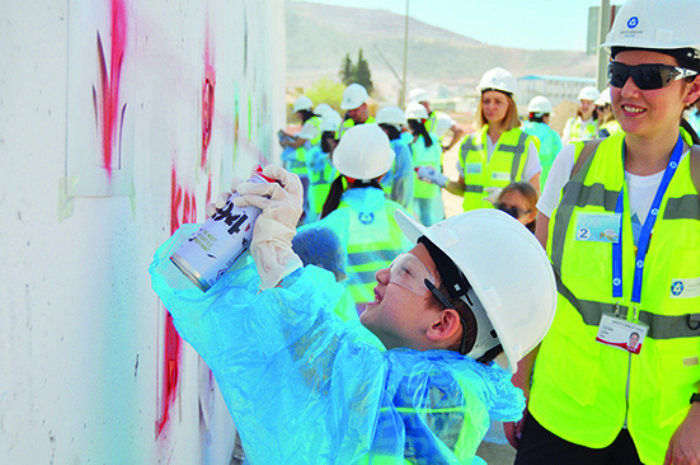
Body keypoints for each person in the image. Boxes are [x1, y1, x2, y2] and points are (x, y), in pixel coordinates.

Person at [150, 162, 557, 464]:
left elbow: (337, 366)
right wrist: (236, 255)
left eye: (404, 271)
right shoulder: (394, 367)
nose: (382, 274)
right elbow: (318, 369)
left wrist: (277, 257)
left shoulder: (444, 400)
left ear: (442, 323)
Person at [508, 1, 700, 463]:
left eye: (651, 75)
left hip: (665, 435)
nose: (628, 90)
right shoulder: (573, 165)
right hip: (561, 416)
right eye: (618, 73)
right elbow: (541, 288)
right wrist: (519, 380)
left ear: (692, 89)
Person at [318, 123, 413, 310]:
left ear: (342, 170)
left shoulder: (330, 218)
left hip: (344, 325)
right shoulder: (400, 216)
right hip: (390, 324)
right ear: (384, 173)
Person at [421, 67, 541, 212]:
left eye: (498, 102)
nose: (491, 107)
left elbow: (535, 196)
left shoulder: (525, 144)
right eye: (486, 101)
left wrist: (507, 199)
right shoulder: (469, 144)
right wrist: (441, 181)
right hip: (472, 225)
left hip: (506, 227)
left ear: (510, 104)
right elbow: (464, 189)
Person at [279, 95, 322, 221]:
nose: (297, 116)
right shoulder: (318, 121)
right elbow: (301, 139)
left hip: (311, 166)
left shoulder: (310, 124)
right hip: (320, 164)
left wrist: (285, 142)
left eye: (298, 113)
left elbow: (298, 143)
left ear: (302, 113)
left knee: (308, 202)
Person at [406, 102, 445, 226]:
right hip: (429, 188)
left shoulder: (407, 140)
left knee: (411, 222)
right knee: (427, 221)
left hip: (411, 188)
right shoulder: (433, 140)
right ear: (424, 120)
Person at [304, 110, 342, 223]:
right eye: (330, 136)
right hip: (317, 201)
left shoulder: (341, 154)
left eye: (336, 137)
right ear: (324, 136)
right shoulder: (314, 153)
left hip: (334, 200)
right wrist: (331, 152)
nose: (333, 141)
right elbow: (315, 164)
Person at [375, 106, 414, 210]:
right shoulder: (398, 147)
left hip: (390, 207)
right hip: (391, 207)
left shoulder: (398, 148)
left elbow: (402, 179)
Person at [408, 88, 466, 154]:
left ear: (425, 104)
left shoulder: (440, 118)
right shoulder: (413, 119)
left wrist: (448, 147)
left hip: (434, 162)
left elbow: (459, 131)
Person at [522, 96, 563, 184]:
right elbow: (560, 163)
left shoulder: (521, 134)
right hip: (545, 188)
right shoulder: (553, 136)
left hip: (523, 188)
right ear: (544, 117)